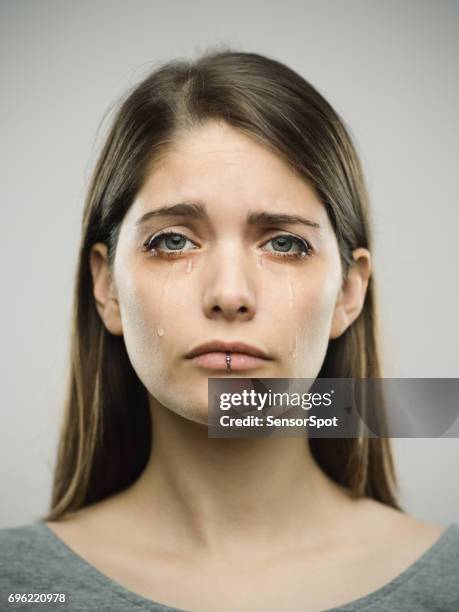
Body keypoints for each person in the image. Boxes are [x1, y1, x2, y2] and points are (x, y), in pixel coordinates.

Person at [1, 49, 458, 612]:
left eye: (284, 243)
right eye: (173, 241)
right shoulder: (18, 588)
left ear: (348, 293)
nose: (229, 295)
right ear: (107, 288)